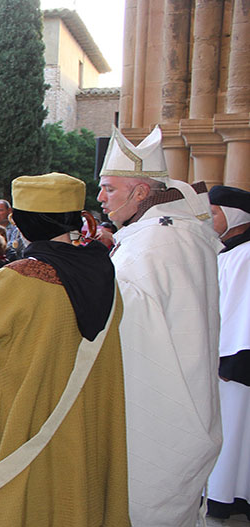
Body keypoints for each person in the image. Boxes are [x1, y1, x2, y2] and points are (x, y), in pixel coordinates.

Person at [0, 173, 127, 526]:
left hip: (24, 426)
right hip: (81, 424)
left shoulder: (17, 279)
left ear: (18, 223)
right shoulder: (105, 273)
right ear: (77, 218)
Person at [97, 126, 221, 526]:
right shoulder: (172, 231)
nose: (100, 198)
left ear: (140, 192)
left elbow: (122, 316)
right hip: (186, 380)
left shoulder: (156, 243)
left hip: (159, 393)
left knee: (145, 498)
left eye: (109, 189)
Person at [206, 185, 250, 520]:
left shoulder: (246, 254)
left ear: (234, 215)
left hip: (235, 355)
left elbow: (243, 309)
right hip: (222, 350)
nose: (210, 217)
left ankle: (228, 495)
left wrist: (232, 356)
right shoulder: (227, 251)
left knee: (237, 429)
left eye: (215, 211)